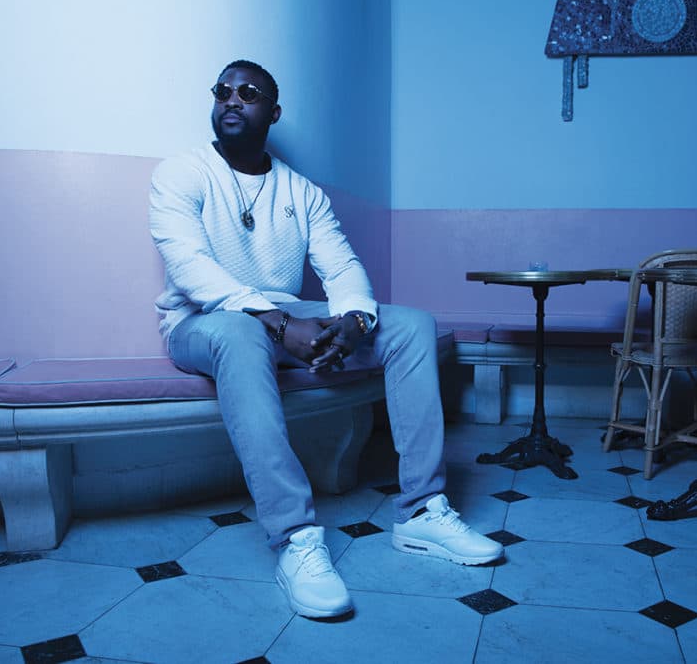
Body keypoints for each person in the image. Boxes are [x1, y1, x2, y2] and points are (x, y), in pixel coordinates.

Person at [149, 59, 502, 618]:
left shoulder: (301, 190)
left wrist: (354, 323)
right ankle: (294, 536)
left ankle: (421, 511)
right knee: (241, 334)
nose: (232, 100)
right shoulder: (181, 172)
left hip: (280, 316)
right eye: (223, 91)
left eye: (249, 93)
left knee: (411, 324)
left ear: (274, 112)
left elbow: (341, 267)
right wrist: (279, 323)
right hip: (202, 321)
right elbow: (190, 267)